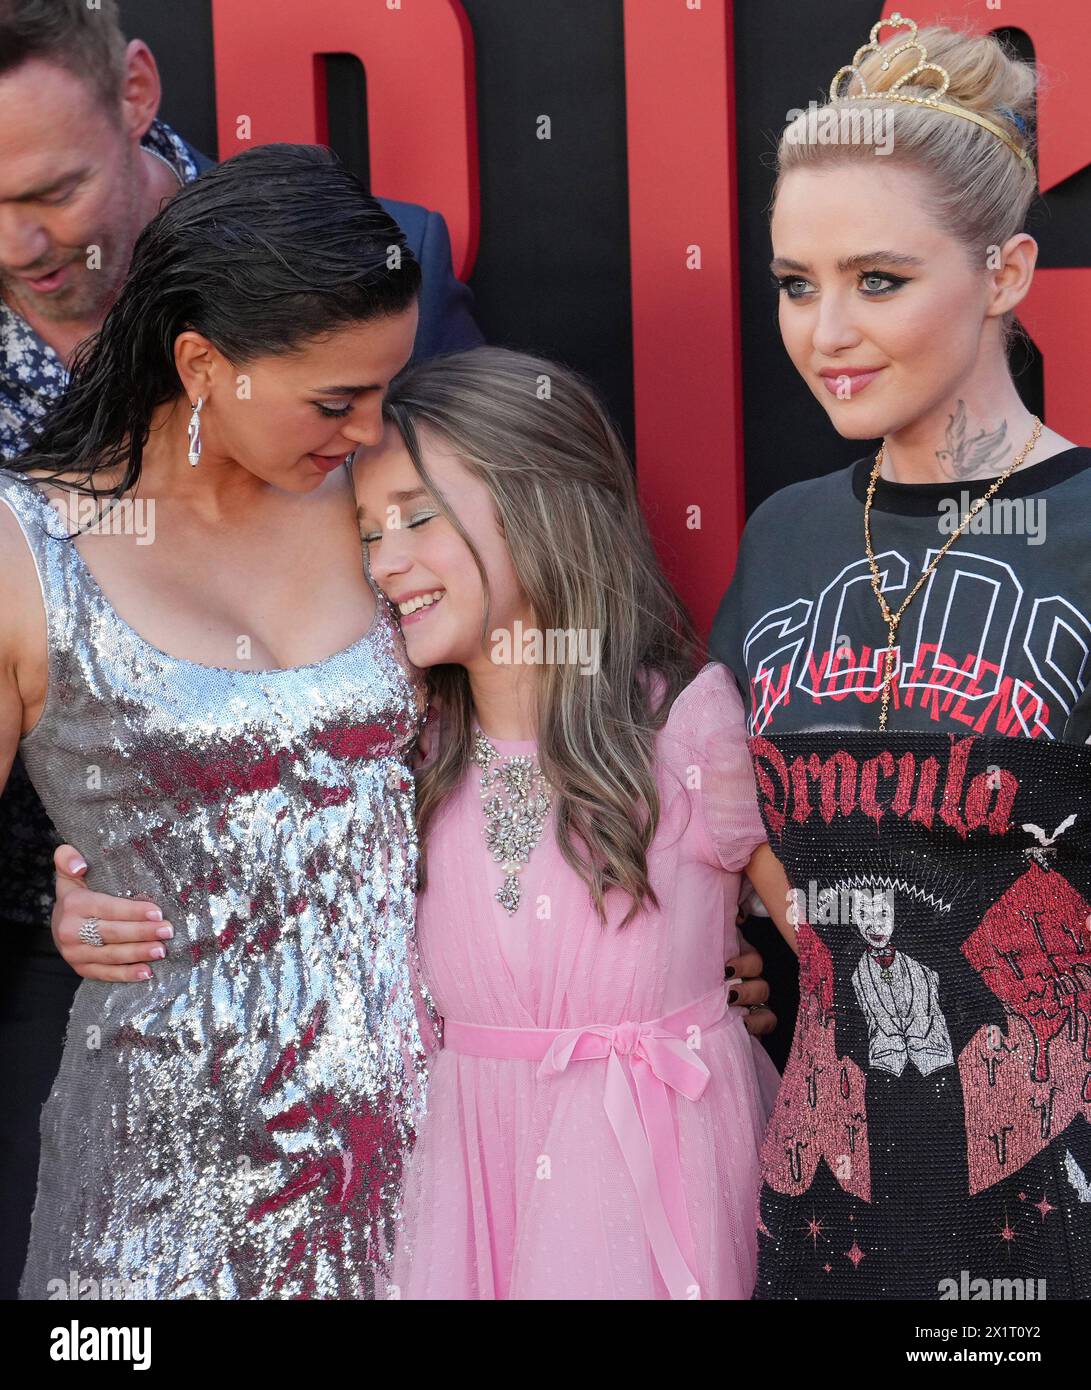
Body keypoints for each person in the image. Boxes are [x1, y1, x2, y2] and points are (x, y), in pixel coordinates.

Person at [0, 0, 481, 1300]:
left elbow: (532, 694)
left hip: (433, 1128)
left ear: (136, 94)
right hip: (139, 1130)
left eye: (51, 187)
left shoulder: (384, 415)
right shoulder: (30, 542)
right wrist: (54, 891)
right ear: (205, 368)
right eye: (339, 402)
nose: (20, 242)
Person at [710, 16, 1091, 1299]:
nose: (825, 331)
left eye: (876, 280)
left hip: (1060, 1219)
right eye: (793, 282)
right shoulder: (785, 536)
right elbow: (722, 814)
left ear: (1002, 272)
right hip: (830, 1219)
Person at [349, 346, 792, 1299]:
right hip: (468, 1195)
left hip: (658, 1187)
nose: (385, 561)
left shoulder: (688, 727)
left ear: (543, 504)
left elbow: (840, 954)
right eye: (366, 533)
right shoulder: (401, 751)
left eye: (417, 517)